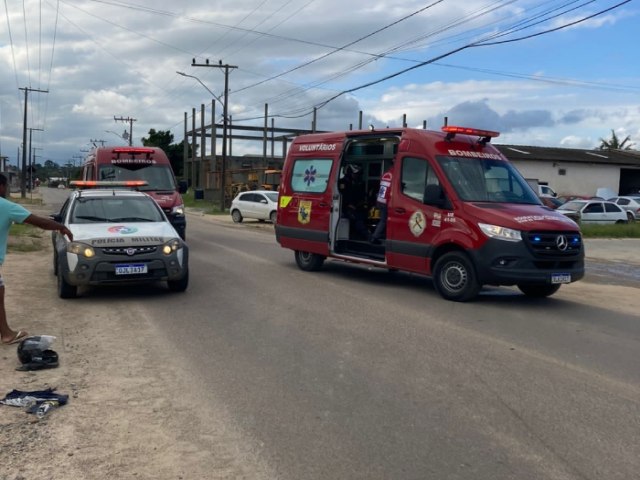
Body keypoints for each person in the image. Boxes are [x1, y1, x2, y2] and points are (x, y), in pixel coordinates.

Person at [0, 173, 73, 345]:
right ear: (1, 187)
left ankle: (6, 332)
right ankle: (6, 334)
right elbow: (39, 222)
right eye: (6, 187)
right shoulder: (5, 206)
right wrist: (61, 227)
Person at [338, 164, 370, 240]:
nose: (357, 176)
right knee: (357, 218)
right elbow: (342, 196)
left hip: (355, 206)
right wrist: (349, 205)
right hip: (344, 208)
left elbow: (358, 195)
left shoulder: (356, 183)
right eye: (355, 174)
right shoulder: (342, 183)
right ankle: (368, 236)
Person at [369, 161, 394, 244]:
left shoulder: (386, 174)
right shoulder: (395, 174)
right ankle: (374, 237)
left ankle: (379, 235)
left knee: (384, 220)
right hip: (386, 201)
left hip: (380, 200)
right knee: (384, 220)